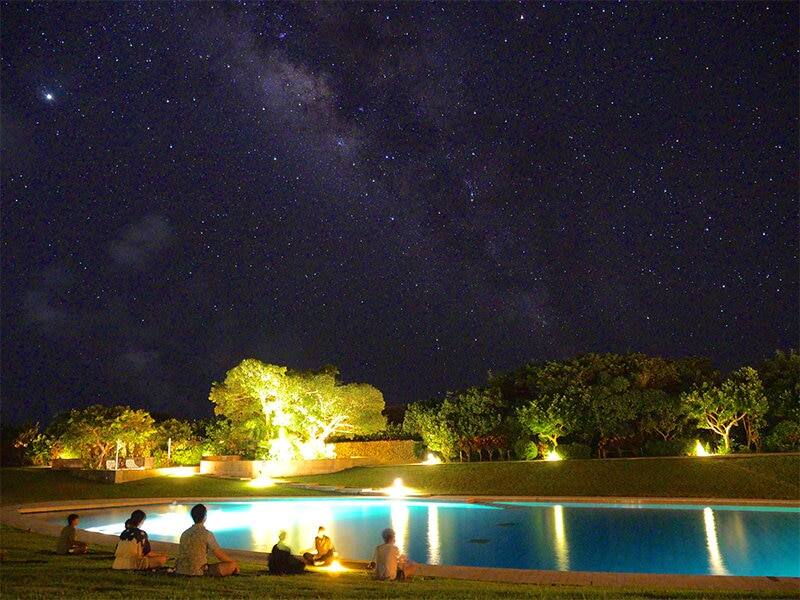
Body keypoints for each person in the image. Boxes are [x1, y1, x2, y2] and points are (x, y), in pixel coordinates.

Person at [175, 504, 239, 576]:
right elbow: (219, 554)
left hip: (181, 570)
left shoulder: (184, 533)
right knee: (231, 565)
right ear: (205, 517)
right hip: (199, 570)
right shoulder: (207, 534)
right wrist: (233, 563)